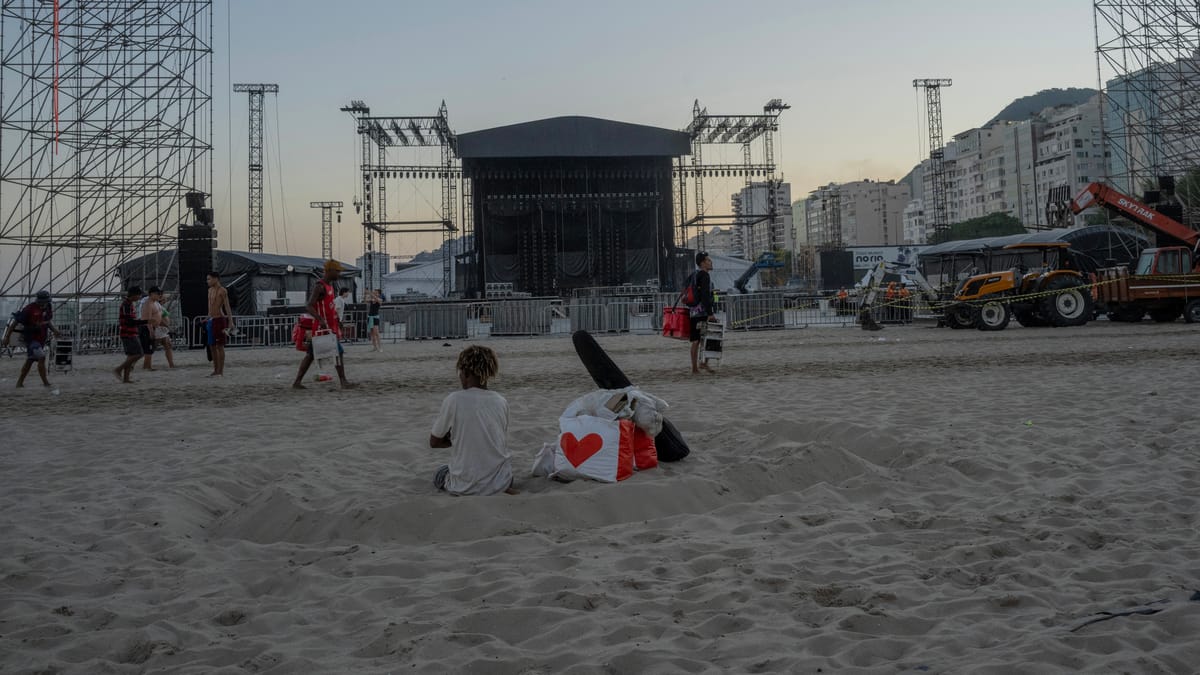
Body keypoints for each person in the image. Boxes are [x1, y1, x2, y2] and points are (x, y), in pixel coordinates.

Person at [429, 345, 516, 496]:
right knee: (503, 471)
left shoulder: (454, 400)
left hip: (464, 486)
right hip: (500, 481)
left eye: (460, 373)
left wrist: (453, 439)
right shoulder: (501, 401)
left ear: (466, 373)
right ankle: (500, 486)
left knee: (441, 473)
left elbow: (434, 442)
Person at [292, 260, 355, 389]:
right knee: (338, 352)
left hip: (328, 327)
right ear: (330, 271)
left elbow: (330, 308)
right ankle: (343, 381)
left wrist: (337, 321)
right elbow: (309, 306)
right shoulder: (320, 286)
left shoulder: (330, 286)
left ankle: (297, 382)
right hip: (322, 328)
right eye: (337, 271)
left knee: (310, 355)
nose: (339, 274)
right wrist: (320, 319)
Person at [2, 290, 59, 388]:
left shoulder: (48, 307)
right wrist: (7, 337)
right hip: (31, 339)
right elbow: (15, 322)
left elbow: (47, 321)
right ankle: (45, 382)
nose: (45, 303)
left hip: (42, 339)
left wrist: (54, 330)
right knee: (41, 356)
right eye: (43, 301)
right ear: (39, 300)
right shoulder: (29, 309)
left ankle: (19, 382)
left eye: (46, 301)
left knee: (30, 360)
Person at [688, 251, 719, 374]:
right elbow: (705, 296)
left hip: (693, 312)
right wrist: (710, 313)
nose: (710, 262)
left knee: (696, 340)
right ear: (702, 263)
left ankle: (695, 368)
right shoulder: (705, 276)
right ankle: (704, 363)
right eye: (708, 260)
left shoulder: (694, 275)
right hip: (703, 313)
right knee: (711, 337)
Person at [114, 287, 147, 383]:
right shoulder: (126, 305)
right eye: (139, 295)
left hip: (130, 332)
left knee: (131, 355)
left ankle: (126, 378)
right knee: (139, 353)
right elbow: (129, 321)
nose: (139, 297)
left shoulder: (129, 304)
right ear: (134, 295)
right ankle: (119, 369)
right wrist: (145, 321)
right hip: (128, 333)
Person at [206, 271, 233, 377]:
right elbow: (210, 305)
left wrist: (230, 321)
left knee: (220, 346)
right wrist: (208, 315)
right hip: (211, 319)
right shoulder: (209, 290)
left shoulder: (222, 290)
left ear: (216, 279)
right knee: (212, 345)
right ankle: (215, 369)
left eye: (209, 279)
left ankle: (220, 370)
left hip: (219, 319)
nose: (207, 281)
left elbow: (227, 306)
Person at [138, 286, 162, 371]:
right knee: (147, 348)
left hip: (153, 327)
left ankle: (147, 366)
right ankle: (146, 366)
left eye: (160, 293)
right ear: (151, 294)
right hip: (146, 328)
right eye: (158, 293)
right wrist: (151, 331)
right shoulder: (148, 303)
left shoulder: (155, 302)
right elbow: (146, 319)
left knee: (150, 348)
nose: (160, 295)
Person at [151, 289, 176, 368]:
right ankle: (135, 362)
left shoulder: (160, 306)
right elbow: (159, 319)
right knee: (152, 347)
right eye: (164, 298)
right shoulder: (157, 306)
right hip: (160, 328)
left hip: (163, 329)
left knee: (168, 346)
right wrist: (167, 326)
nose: (166, 299)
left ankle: (171, 364)